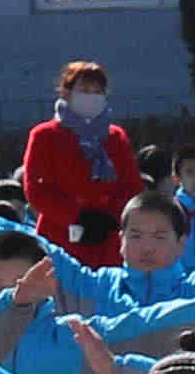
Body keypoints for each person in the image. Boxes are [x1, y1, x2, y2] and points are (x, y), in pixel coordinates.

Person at [22, 58, 141, 266]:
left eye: (97, 91)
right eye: (84, 90)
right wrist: (77, 216)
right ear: (67, 93)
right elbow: (36, 190)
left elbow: (131, 186)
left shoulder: (116, 137)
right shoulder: (44, 135)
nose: (91, 97)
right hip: (60, 236)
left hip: (108, 238)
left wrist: (111, 217)